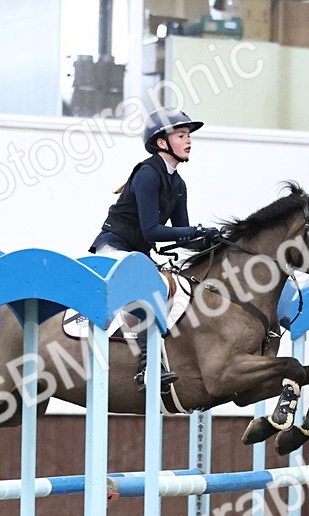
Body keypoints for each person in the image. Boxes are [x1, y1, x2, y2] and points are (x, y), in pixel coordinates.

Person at [89, 108, 219, 391]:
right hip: (113, 247)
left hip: (136, 255)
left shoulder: (178, 183)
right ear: (162, 142)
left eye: (188, 136)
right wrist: (195, 231)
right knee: (150, 286)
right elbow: (152, 231)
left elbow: (182, 236)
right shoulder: (148, 173)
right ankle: (148, 366)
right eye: (181, 135)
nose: (189, 141)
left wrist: (212, 240)